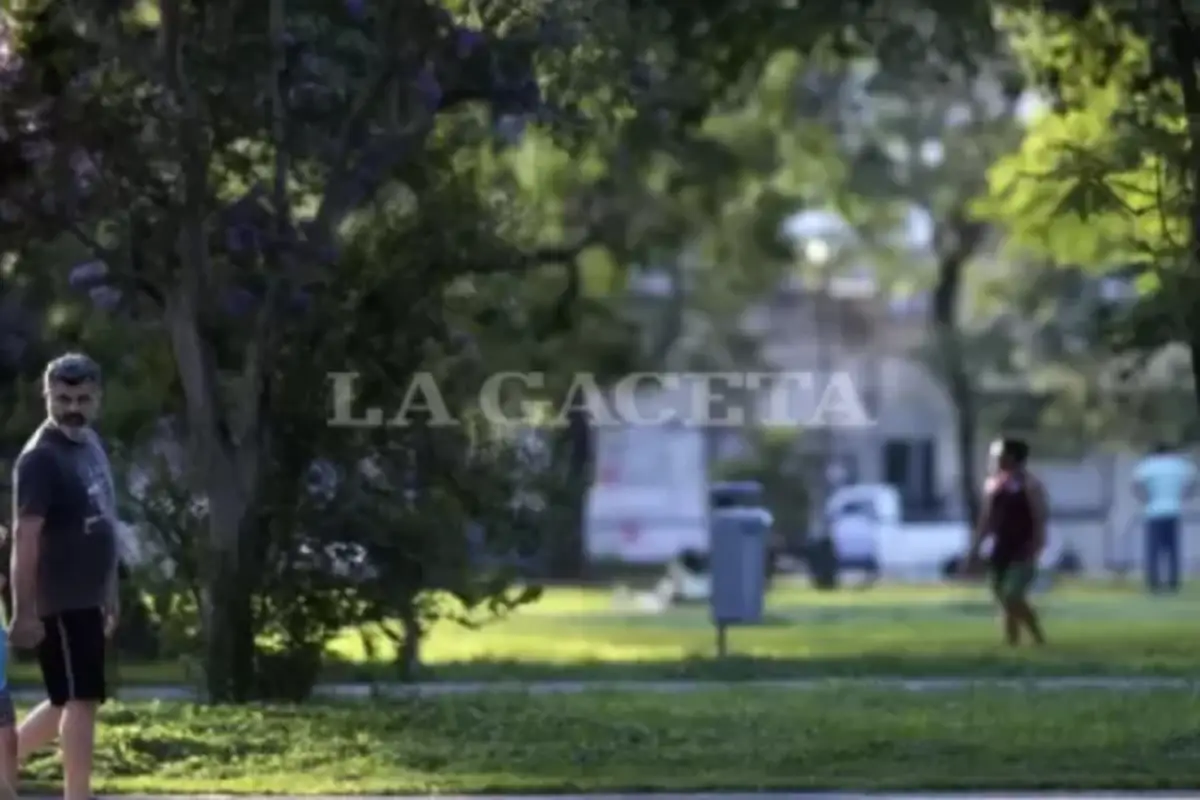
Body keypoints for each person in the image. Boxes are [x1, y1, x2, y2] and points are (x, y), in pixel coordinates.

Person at [9, 353, 119, 800]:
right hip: (60, 598)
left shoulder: (88, 443)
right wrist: (24, 612)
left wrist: (110, 589)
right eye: (63, 398)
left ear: (98, 399)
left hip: (89, 595)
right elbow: (25, 536)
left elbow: (105, 517)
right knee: (80, 701)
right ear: (46, 397)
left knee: (64, 700)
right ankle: (78, 795)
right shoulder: (40, 459)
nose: (73, 407)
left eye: (83, 398)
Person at [967, 438, 1048, 647]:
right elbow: (986, 518)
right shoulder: (993, 484)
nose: (994, 459)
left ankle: (1037, 636)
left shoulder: (1030, 485)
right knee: (1002, 598)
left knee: (1012, 594)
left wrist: (1038, 544)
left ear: (1011, 457)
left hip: (1022, 547)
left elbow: (1039, 516)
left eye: (998, 454)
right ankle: (1011, 641)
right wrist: (976, 546)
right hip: (999, 548)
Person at [1132, 442, 1196, 593]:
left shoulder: (1149, 465)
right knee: (1172, 550)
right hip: (1174, 510)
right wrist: (1184, 496)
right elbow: (1193, 481)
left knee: (1154, 550)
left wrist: (1144, 498)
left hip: (1153, 511)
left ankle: (1154, 583)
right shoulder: (1179, 465)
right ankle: (1172, 583)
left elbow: (1135, 484)